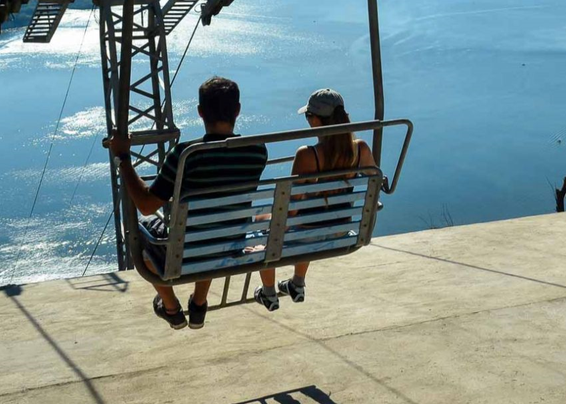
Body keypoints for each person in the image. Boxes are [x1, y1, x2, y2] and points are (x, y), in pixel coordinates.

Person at [110, 76, 268, 330]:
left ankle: (171, 307)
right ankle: (198, 303)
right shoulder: (257, 150)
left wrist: (124, 158)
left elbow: (147, 205)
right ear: (237, 110)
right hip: (230, 244)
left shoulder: (186, 155)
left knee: (141, 229)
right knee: (213, 224)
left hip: (188, 250)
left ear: (200, 112)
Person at [255, 88, 375, 312]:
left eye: (309, 116)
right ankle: (297, 284)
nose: (308, 120)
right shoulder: (360, 149)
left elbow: (291, 209)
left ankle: (268, 292)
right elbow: (375, 179)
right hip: (341, 231)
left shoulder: (307, 155)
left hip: (308, 233)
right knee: (311, 217)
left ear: (317, 120)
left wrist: (271, 225)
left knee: (263, 221)